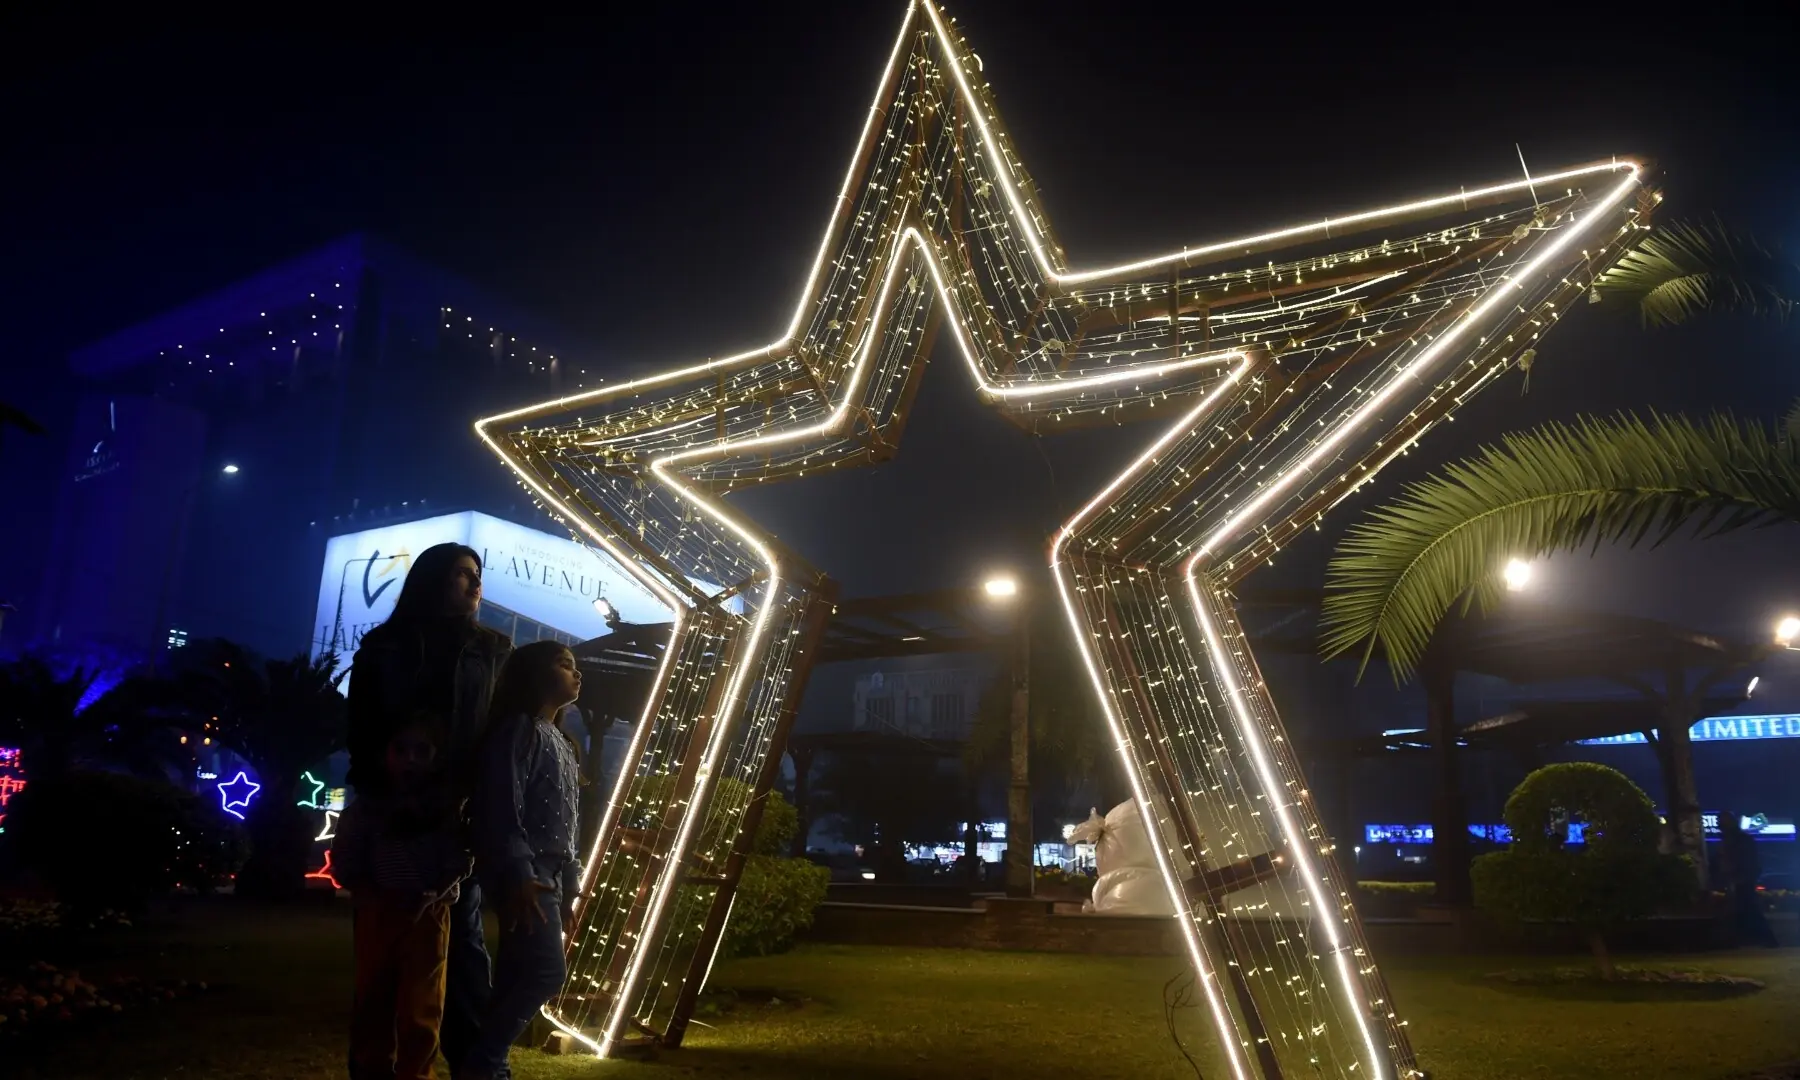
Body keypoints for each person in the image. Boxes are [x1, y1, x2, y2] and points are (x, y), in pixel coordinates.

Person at [347, 542, 513, 1073]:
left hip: (458, 809)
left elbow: (499, 727)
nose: (473, 584)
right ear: (432, 580)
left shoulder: (493, 649)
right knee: (381, 947)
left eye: (477, 575)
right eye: (462, 574)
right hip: (392, 806)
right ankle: (377, 1064)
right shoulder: (384, 646)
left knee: (460, 940)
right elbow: (360, 724)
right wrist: (384, 791)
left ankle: (471, 1062)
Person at [463, 641, 584, 1080]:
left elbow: (569, 823)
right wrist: (518, 871)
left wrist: (572, 884)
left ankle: (490, 1066)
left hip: (548, 872)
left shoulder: (565, 745)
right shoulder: (519, 730)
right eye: (564, 665)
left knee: (516, 973)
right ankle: (483, 1062)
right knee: (547, 972)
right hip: (527, 873)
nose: (576, 673)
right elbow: (502, 803)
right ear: (535, 675)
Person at [333, 714, 473, 1080]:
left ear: (435, 757)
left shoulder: (445, 811)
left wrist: (433, 893)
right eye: (401, 750)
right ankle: (372, 1068)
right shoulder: (368, 809)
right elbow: (346, 855)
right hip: (378, 910)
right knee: (373, 1000)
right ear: (385, 756)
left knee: (421, 1005)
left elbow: (460, 858)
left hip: (428, 913)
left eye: (421, 751)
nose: (410, 759)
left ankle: (416, 1072)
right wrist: (367, 890)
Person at [1719, 811, 1778, 948]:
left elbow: (1745, 861)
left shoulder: (1737, 840)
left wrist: (1737, 877)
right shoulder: (1734, 839)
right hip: (1741, 878)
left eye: (1722, 821)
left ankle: (1762, 940)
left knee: (1747, 910)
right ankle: (1752, 940)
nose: (1719, 823)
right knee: (1745, 910)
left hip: (1742, 879)